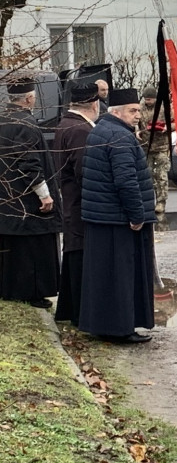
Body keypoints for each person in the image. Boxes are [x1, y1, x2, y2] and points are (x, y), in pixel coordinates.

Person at [80, 88, 157, 344]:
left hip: (103, 217)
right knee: (122, 276)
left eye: (138, 110)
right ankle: (122, 328)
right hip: (118, 219)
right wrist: (137, 215)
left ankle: (103, 325)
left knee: (105, 276)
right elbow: (126, 181)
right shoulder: (120, 137)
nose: (138, 115)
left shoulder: (100, 130)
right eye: (132, 111)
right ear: (116, 112)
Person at [0, 78, 61, 307]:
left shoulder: (3, 119)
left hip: (8, 197)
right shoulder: (25, 123)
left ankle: (10, 290)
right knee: (32, 250)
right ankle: (32, 293)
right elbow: (28, 163)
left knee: (11, 250)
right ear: (29, 98)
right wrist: (44, 194)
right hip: (26, 199)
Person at [52, 82, 100, 326]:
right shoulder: (81, 130)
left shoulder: (65, 124)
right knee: (80, 255)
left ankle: (69, 309)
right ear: (94, 103)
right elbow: (85, 171)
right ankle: (81, 313)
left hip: (71, 200)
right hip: (81, 202)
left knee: (73, 252)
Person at [139, 85, 171, 215]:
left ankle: (161, 202)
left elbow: (174, 123)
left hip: (161, 147)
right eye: (146, 99)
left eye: (150, 99)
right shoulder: (140, 108)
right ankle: (148, 202)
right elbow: (135, 122)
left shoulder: (164, 108)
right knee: (147, 176)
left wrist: (167, 128)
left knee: (161, 175)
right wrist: (137, 131)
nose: (148, 102)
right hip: (145, 147)